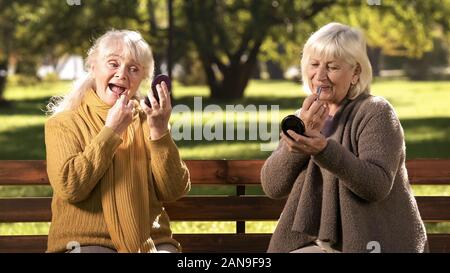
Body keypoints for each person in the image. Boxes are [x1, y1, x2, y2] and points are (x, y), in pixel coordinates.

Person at [261, 22, 427, 253]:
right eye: (314, 64)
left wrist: (323, 150)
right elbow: (272, 187)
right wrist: (296, 145)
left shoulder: (375, 112)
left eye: (332, 67)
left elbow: (376, 186)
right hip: (314, 243)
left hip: (371, 243)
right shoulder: (303, 117)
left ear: (356, 72)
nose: (320, 76)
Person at [45, 30, 190, 253]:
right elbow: (71, 187)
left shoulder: (150, 120)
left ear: (142, 79)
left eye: (133, 69)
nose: (122, 74)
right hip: (87, 243)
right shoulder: (64, 123)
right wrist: (111, 131)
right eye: (113, 63)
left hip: (152, 243)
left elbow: (173, 191)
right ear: (92, 67)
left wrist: (160, 132)